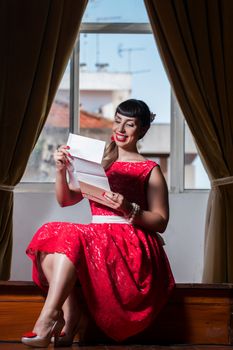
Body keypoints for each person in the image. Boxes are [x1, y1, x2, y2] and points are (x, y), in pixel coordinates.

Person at [21, 99, 175, 347]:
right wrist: (60, 170)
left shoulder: (150, 169)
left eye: (130, 124)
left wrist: (128, 208)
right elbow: (66, 200)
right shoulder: (99, 163)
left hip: (131, 240)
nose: (121, 129)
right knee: (51, 232)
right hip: (98, 235)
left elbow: (161, 221)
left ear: (142, 130)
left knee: (69, 236)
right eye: (117, 121)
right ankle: (68, 316)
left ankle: (51, 318)